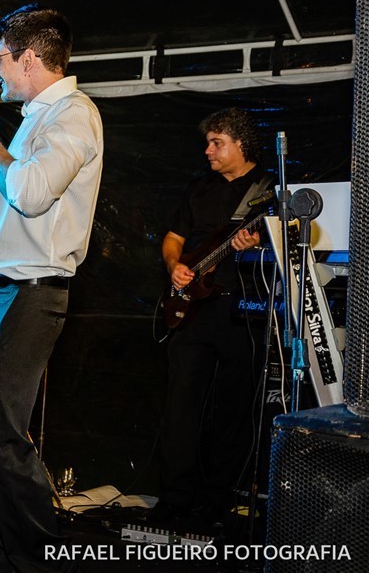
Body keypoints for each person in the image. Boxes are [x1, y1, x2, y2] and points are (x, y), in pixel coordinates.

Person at [0, 5, 103, 571]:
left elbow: (33, 193)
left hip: (28, 296)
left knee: (1, 442)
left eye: (2, 61)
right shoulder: (38, 116)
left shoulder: (73, 115)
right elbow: (15, 210)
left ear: (30, 59)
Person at [152, 108, 267, 523]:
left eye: (217, 143)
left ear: (242, 144)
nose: (208, 151)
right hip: (193, 308)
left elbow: (290, 245)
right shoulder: (198, 188)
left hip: (244, 311)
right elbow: (172, 237)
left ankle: (218, 501)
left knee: (234, 408)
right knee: (181, 403)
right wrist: (174, 267)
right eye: (208, 142)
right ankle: (175, 498)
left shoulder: (269, 192)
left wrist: (254, 246)